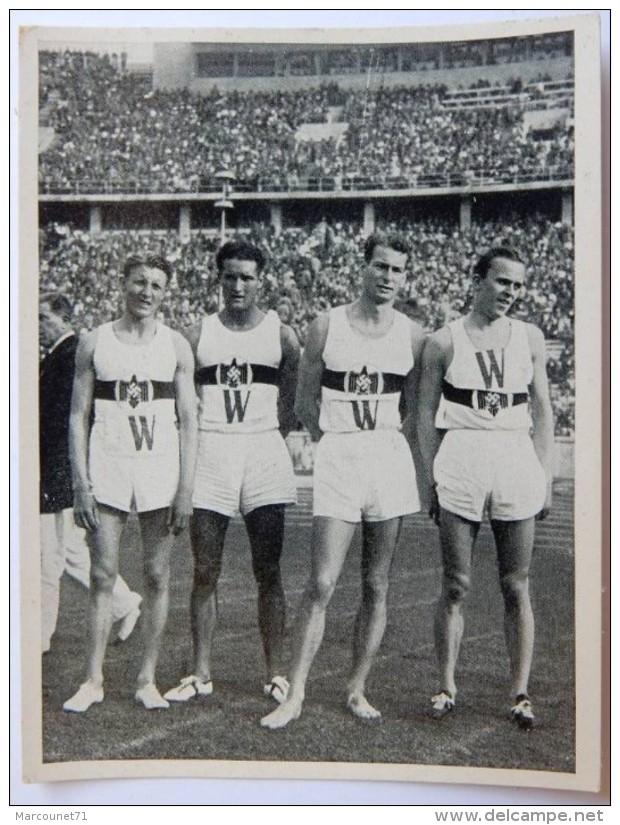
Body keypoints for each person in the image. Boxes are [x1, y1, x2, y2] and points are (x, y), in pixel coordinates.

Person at [261, 231, 426, 729]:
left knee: (376, 583)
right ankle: (295, 694)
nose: (388, 277)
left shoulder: (414, 335)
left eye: (397, 270)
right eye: (381, 267)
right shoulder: (326, 324)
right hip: (340, 454)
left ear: (405, 276)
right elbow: (305, 400)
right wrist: (332, 439)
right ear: (364, 267)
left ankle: (356, 687)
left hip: (388, 455)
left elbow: (414, 408)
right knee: (322, 581)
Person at [416, 247, 554, 730]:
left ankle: (519, 691)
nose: (510, 293)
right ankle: (447, 685)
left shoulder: (530, 337)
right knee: (456, 584)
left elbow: (542, 412)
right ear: (478, 280)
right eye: (502, 282)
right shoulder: (442, 341)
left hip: (514, 455)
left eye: (517, 285)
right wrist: (430, 477)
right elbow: (424, 418)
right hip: (462, 455)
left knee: (516, 584)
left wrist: (544, 474)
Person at [163, 239, 300, 705]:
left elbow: (290, 400)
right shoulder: (197, 335)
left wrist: (268, 433)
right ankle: (200, 672)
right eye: (230, 277)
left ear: (261, 281)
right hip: (213, 450)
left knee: (269, 569)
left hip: (262, 449)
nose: (238, 285)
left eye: (247, 277)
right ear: (218, 279)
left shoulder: (281, 336)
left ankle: (276, 673)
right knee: (205, 569)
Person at [63, 254, 198, 712]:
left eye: (157, 285)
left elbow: (188, 421)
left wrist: (186, 488)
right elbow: (78, 416)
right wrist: (80, 483)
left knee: (157, 574)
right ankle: (92, 679)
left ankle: (146, 679)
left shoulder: (176, 345)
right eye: (139, 281)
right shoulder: (94, 342)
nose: (147, 291)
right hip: (108, 466)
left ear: (165, 293)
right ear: (123, 283)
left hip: (160, 469)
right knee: (102, 574)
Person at [39, 293, 142, 655]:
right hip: (58, 468)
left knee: (49, 556)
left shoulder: (69, 355)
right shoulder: (58, 355)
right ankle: (125, 604)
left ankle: (39, 636)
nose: (37, 326)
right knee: (66, 551)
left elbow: (64, 421)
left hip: (58, 469)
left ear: (62, 318)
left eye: (43, 318)